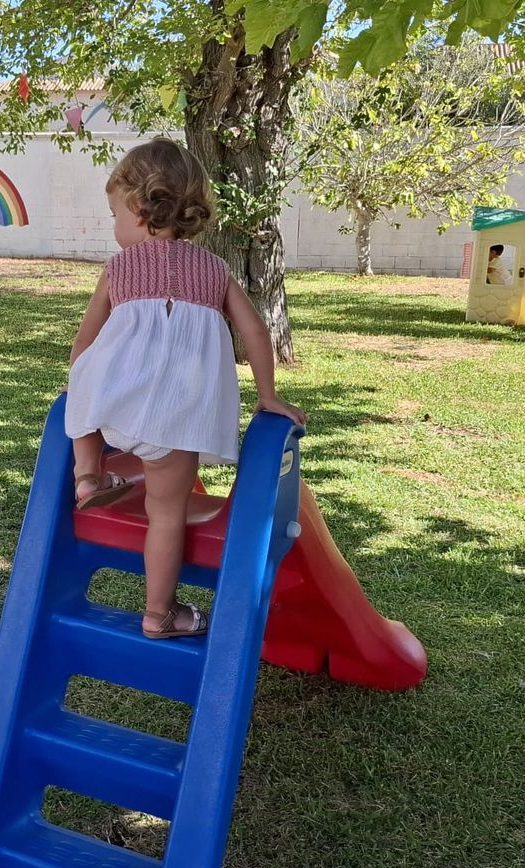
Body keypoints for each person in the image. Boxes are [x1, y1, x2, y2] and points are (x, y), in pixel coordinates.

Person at [65, 138, 307, 640]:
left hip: (113, 408)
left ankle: (87, 475)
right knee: (166, 512)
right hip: (176, 420)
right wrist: (267, 395)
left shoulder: (118, 269)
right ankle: (159, 615)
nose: (114, 226)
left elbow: (85, 344)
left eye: (114, 213)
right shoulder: (215, 270)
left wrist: (80, 391)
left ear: (139, 207)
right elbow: (256, 331)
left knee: (85, 385)